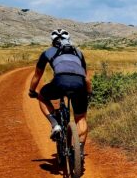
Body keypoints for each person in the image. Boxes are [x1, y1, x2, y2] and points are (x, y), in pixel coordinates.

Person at [28, 29, 92, 158]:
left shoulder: (48, 52)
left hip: (59, 82)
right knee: (81, 119)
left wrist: (32, 90)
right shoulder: (78, 53)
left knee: (42, 96)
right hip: (79, 85)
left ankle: (55, 125)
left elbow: (37, 75)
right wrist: (89, 92)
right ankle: (79, 150)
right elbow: (86, 78)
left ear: (52, 41)